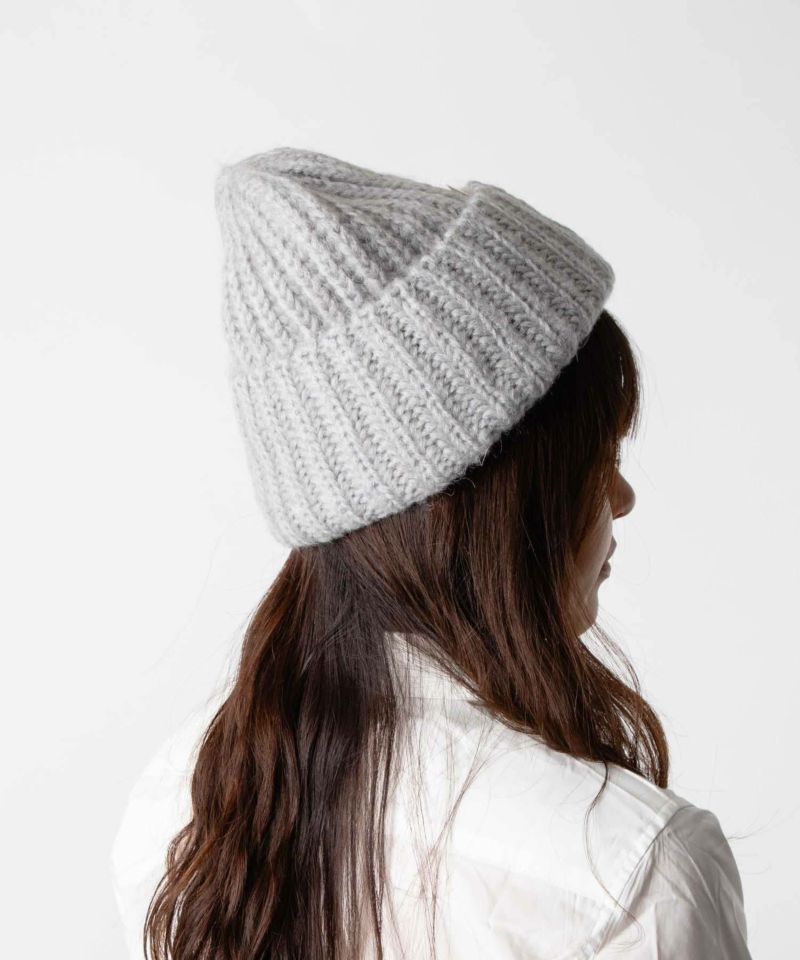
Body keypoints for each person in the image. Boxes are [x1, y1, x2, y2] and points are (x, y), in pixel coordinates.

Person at [110, 146, 752, 959]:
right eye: (598, 460)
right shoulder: (628, 875)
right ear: (503, 502)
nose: (621, 498)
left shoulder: (182, 812)